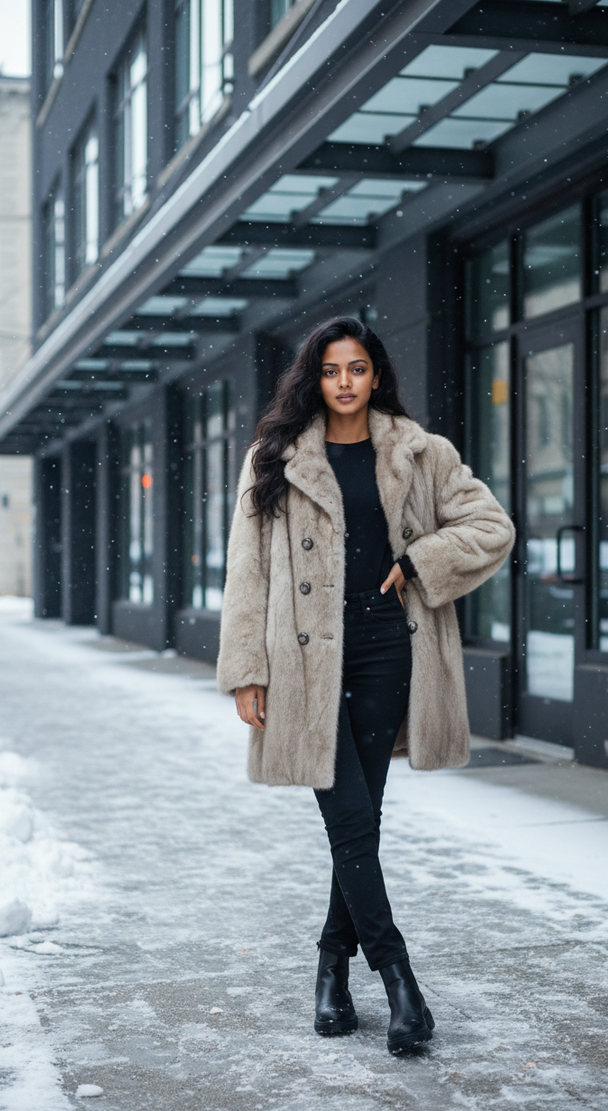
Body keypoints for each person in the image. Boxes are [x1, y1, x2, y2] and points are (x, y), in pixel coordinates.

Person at [217, 316, 514, 1053]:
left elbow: (492, 527)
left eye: (356, 368)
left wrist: (418, 560)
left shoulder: (420, 451)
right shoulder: (275, 456)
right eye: (330, 370)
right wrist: (246, 670)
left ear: (375, 373)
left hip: (386, 648)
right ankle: (398, 979)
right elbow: (247, 573)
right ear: (313, 379)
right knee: (350, 820)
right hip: (304, 659)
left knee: (359, 822)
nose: (344, 382)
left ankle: (331, 968)